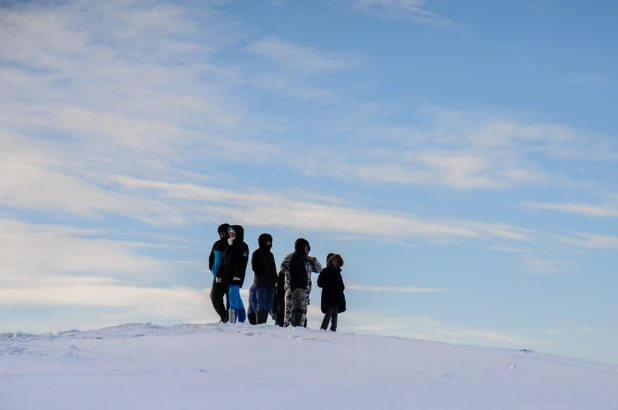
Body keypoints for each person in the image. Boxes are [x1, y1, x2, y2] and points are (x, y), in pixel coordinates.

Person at [280, 238, 322, 327]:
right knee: (289, 314)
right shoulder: (291, 256)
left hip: (305, 292)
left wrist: (312, 260)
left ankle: (300, 331)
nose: (308, 251)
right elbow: (283, 267)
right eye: (307, 249)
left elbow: (319, 269)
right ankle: (287, 331)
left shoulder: (308, 261)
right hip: (292, 289)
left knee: (302, 315)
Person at [217, 225, 249, 323]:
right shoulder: (229, 246)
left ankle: (232, 322)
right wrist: (219, 273)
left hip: (236, 278)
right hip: (227, 277)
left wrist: (238, 275)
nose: (231, 235)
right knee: (237, 300)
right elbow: (224, 261)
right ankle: (241, 322)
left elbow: (242, 263)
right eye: (230, 233)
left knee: (232, 300)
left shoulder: (242, 246)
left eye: (233, 233)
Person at [250, 233, 277, 325]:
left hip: (270, 284)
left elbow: (273, 268)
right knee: (261, 304)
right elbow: (255, 267)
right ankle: (260, 324)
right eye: (267, 241)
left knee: (268, 305)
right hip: (261, 283)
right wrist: (262, 275)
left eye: (270, 241)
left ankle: (263, 323)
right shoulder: (256, 253)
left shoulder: (270, 255)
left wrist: (275, 279)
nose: (269, 243)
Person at [317, 253, 346, 332]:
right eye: (334, 259)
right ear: (329, 261)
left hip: (336, 297)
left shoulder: (338, 273)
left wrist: (340, 289)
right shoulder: (325, 271)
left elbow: (341, 285)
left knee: (335, 315)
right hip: (329, 297)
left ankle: (333, 330)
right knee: (329, 314)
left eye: (336, 260)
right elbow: (320, 283)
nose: (335, 261)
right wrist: (328, 286)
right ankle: (323, 329)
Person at [208, 223, 230, 323]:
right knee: (215, 297)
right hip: (216, 276)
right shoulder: (216, 244)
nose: (222, 234)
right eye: (220, 232)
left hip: (227, 276)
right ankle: (224, 317)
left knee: (230, 300)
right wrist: (211, 267)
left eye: (224, 231)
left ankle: (229, 319)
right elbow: (211, 257)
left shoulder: (231, 244)